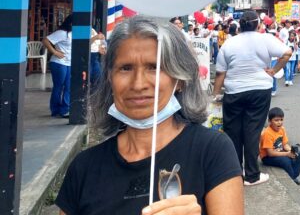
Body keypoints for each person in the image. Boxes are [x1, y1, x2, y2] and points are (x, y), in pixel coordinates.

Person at [55, 16, 243, 215]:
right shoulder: (84, 167)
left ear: (180, 80)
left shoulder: (213, 151)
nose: (138, 84)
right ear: (110, 78)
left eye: (154, 67)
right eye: (125, 68)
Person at [213, 11, 292, 186]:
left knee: (232, 132)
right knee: (252, 132)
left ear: (240, 25)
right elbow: (287, 52)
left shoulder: (229, 42)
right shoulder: (265, 39)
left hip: (234, 91)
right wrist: (274, 70)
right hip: (259, 90)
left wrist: (215, 95)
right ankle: (251, 175)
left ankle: (233, 173)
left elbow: (220, 73)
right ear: (258, 25)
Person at [260, 107, 300, 185]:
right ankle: (293, 179)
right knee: (286, 161)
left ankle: (294, 176)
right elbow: (270, 153)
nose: (279, 122)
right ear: (270, 121)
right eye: (276, 120)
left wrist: (291, 151)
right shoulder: (267, 133)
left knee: (299, 155)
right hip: (267, 157)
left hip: (279, 151)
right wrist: (287, 154)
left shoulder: (282, 129)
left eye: (281, 120)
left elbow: (284, 144)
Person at [43, 14, 73, 118]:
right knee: (58, 87)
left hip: (69, 63)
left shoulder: (74, 34)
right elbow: (46, 40)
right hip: (59, 63)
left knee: (69, 87)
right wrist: (54, 52)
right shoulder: (62, 33)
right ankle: (55, 110)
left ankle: (65, 110)